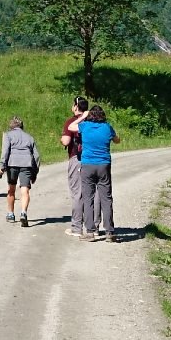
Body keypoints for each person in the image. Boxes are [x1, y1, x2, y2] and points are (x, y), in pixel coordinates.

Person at [76, 104, 118, 241]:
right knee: (106, 198)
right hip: (103, 165)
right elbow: (117, 140)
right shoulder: (107, 127)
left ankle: (90, 231)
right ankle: (109, 232)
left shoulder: (85, 126)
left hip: (87, 164)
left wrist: (82, 116)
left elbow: (71, 127)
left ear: (90, 115)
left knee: (88, 198)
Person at [0, 116, 40, 226]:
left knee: (11, 190)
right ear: (22, 126)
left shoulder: (8, 135)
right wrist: (35, 172)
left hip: (12, 164)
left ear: (11, 126)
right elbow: (36, 156)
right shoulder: (29, 137)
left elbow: (5, 151)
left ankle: (11, 214)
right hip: (26, 165)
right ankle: (23, 213)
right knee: (25, 190)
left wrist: (1, 166)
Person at [61, 96, 90, 237]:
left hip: (76, 158)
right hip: (93, 159)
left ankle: (76, 227)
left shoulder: (71, 121)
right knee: (92, 193)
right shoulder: (91, 120)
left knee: (77, 194)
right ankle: (93, 227)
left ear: (75, 106)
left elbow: (66, 141)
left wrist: (62, 138)